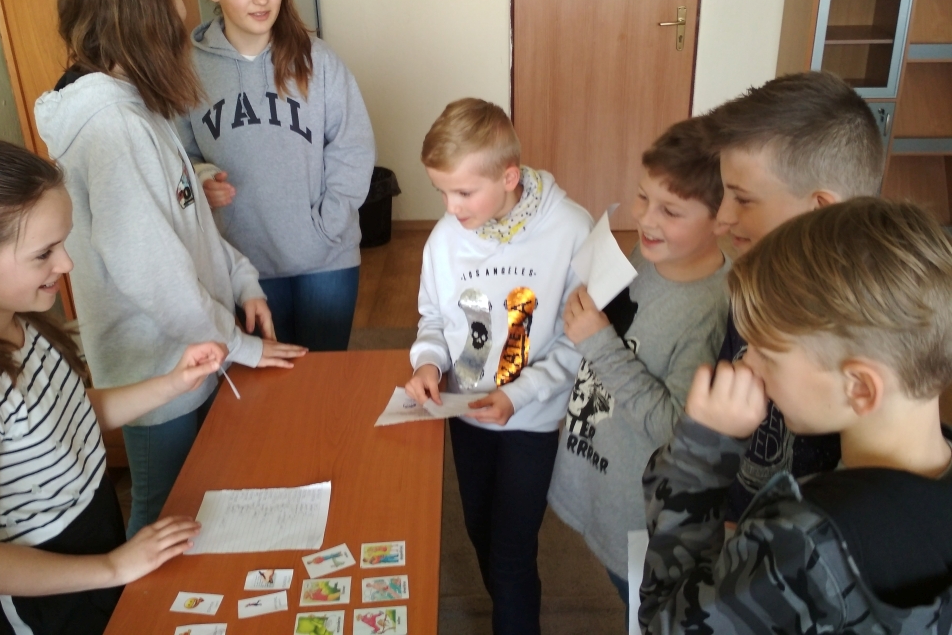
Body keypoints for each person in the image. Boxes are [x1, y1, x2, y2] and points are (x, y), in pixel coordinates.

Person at [34, 0, 305, 537]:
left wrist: (242, 281)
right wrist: (240, 347)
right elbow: (152, 272)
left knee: (194, 504)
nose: (184, 12)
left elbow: (185, 224)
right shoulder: (112, 126)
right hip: (157, 370)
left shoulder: (132, 106)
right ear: (143, 3)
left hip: (189, 352)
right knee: (160, 515)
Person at [638, 198, 952, 633]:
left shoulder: (799, 542)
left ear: (861, 387)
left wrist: (698, 460)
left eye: (767, 354)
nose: (747, 364)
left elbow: (666, 623)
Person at [0, 140, 224, 635]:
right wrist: (115, 567)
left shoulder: (22, 322)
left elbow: (74, 415)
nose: (66, 264)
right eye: (44, 253)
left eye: (63, 244)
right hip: (41, 595)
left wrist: (173, 383)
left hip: (94, 535)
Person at [404, 98, 593, 634]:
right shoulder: (445, 238)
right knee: (480, 532)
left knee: (511, 554)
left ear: (509, 176)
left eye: (464, 193)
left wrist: (520, 394)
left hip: (531, 420)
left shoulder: (571, 230)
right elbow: (434, 319)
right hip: (466, 414)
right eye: (441, 192)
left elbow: (581, 340)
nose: (451, 207)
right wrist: (428, 363)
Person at [547, 117, 730, 605]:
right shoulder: (649, 254)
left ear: (722, 218)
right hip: (600, 476)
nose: (647, 219)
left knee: (644, 608)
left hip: (641, 518)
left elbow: (675, 427)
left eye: (671, 210)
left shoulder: (708, 313)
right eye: (643, 196)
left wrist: (598, 342)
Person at [177, 0, 375, 351]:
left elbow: (353, 148)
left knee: (324, 378)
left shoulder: (317, 60)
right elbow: (177, 154)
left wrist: (327, 227)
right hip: (241, 266)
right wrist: (202, 177)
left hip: (326, 259)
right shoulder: (187, 70)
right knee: (267, 383)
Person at [707, 71, 885, 519]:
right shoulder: (754, 280)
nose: (721, 219)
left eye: (743, 200)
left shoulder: (873, 332)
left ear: (819, 209)